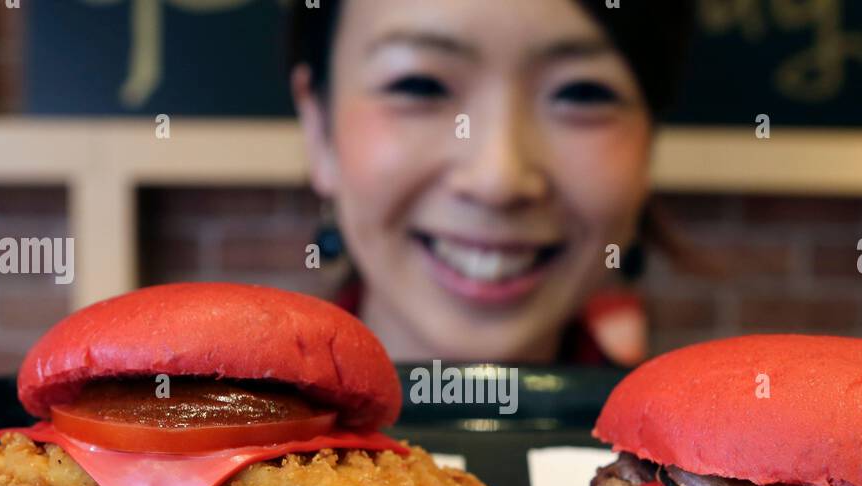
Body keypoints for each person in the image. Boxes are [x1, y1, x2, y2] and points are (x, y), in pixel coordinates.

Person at [288, 0, 694, 365]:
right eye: (420, 85)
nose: (498, 180)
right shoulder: (239, 442)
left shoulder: (686, 449)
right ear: (318, 128)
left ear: (649, 141)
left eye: (581, 93)